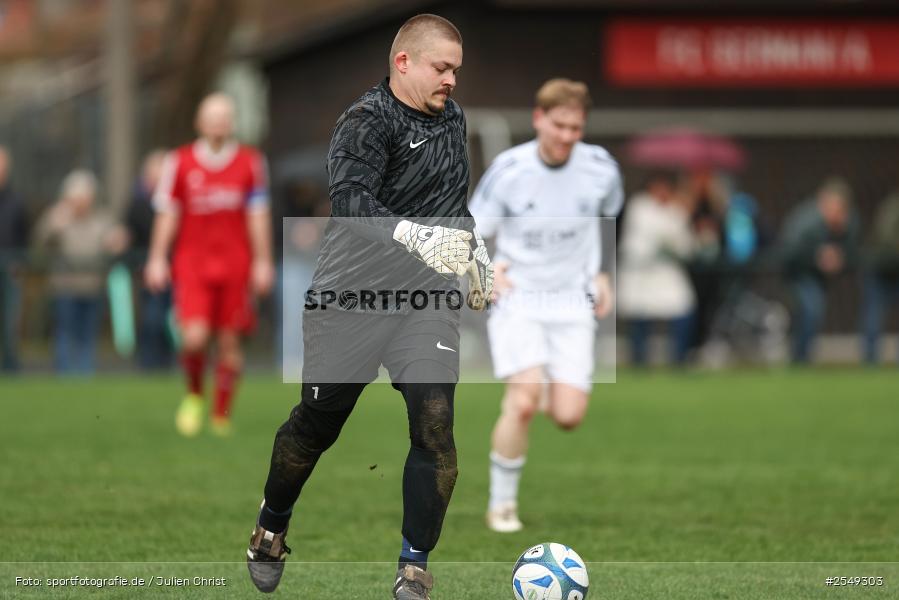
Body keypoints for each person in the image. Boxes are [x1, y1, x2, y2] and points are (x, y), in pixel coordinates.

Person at [244, 15, 492, 600]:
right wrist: (412, 234)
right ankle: (270, 526)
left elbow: (452, 202)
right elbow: (351, 201)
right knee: (317, 424)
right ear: (403, 62)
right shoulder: (365, 120)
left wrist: (473, 246)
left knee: (436, 424)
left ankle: (414, 568)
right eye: (441, 66)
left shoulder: (453, 119)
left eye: (456, 68)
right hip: (349, 298)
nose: (452, 79)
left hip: (424, 300)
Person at [468, 78, 623, 533]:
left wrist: (603, 273)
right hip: (520, 298)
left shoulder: (602, 169)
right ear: (539, 119)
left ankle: (530, 388)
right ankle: (502, 505)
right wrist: (484, 270)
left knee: (569, 415)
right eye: (560, 125)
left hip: (572, 301)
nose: (568, 136)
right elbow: (474, 228)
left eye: (576, 127)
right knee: (522, 401)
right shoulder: (509, 170)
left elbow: (611, 217)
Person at [144, 93, 274, 436]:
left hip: (235, 264)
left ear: (232, 123)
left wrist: (263, 261)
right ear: (199, 123)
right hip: (193, 263)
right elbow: (167, 213)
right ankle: (194, 395)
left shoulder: (250, 162)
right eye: (211, 116)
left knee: (229, 342)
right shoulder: (181, 161)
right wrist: (157, 257)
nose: (218, 122)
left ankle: (221, 414)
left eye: (224, 116)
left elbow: (257, 215)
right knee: (195, 338)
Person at [34, 170, 128, 374]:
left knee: (88, 334)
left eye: (85, 197)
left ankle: (85, 375)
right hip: (64, 286)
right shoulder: (57, 216)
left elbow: (118, 241)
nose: (81, 202)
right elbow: (41, 244)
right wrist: (54, 225)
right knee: (66, 333)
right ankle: (65, 374)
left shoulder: (102, 219)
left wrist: (118, 241)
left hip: (92, 285)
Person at [618, 171, 696, 366]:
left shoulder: (677, 210)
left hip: (667, 273)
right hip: (641, 272)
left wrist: (683, 212)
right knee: (640, 316)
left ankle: (679, 359)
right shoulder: (640, 206)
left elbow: (686, 246)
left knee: (683, 308)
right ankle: (639, 361)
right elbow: (651, 237)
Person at [780, 177, 859, 364]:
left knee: (812, 312)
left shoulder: (848, 223)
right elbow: (789, 252)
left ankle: (802, 357)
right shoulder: (806, 222)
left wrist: (840, 256)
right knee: (810, 309)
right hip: (797, 274)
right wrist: (817, 257)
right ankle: (800, 358)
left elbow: (852, 254)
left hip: (819, 278)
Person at [127, 149, 174, 370]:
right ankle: (150, 364)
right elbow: (130, 232)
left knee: (174, 322)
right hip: (148, 270)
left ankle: (169, 363)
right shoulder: (138, 204)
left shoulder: (177, 202)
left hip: (178, 270)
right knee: (152, 319)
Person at [861, 190, 899, 364]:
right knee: (874, 314)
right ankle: (871, 361)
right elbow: (886, 238)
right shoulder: (893, 207)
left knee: (873, 314)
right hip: (880, 270)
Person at [0, 146, 28, 372]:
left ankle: (11, 368)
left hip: (9, 270)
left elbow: (23, 235)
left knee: (9, 322)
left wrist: (19, 262)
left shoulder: (17, 201)